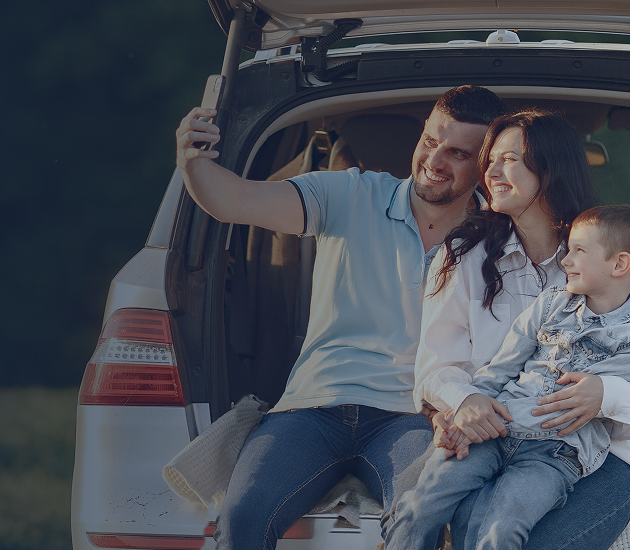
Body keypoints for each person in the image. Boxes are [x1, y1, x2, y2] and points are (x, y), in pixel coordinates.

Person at [176, 85, 506, 550]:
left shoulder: (495, 241)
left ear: (486, 165)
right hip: (312, 408)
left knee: (424, 520)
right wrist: (193, 162)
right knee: (244, 517)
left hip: (411, 417)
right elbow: (232, 201)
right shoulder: (351, 193)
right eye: (430, 141)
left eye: (456, 153)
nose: (434, 160)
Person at [406, 110, 630, 550]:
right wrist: (464, 400)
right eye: (489, 159)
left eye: (508, 159)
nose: (489, 170)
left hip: (589, 455)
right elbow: (436, 367)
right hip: (495, 438)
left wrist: (603, 394)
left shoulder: (604, 262)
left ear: (549, 172)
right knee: (465, 529)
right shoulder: (463, 256)